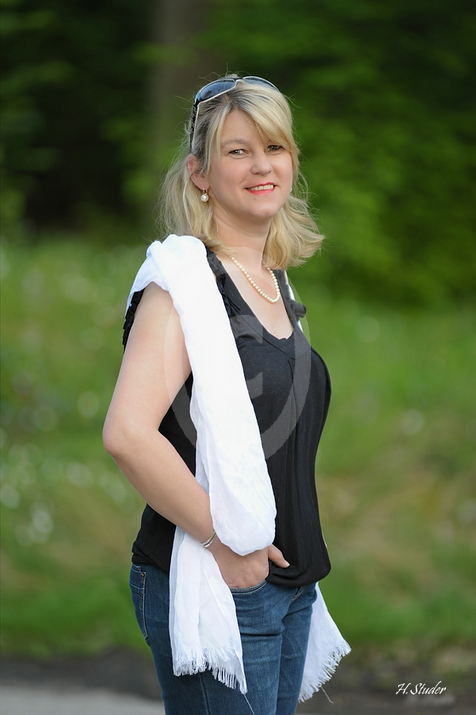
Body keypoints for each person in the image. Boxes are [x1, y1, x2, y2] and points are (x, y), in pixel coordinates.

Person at [103, 74, 349, 715]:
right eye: (238, 151)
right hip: (219, 577)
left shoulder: (273, 280)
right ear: (200, 174)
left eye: (275, 147)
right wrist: (225, 543)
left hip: (289, 583)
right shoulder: (182, 286)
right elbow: (127, 434)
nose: (262, 165)